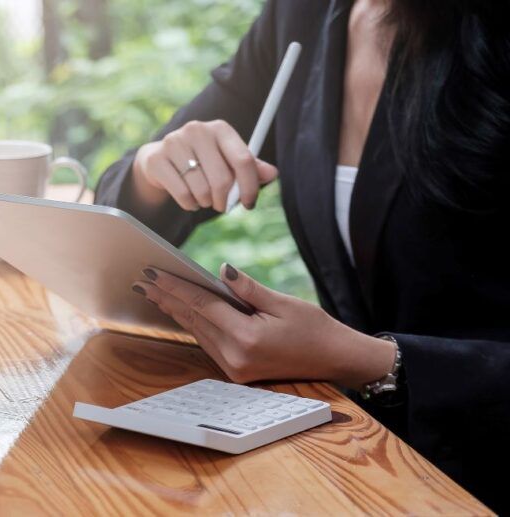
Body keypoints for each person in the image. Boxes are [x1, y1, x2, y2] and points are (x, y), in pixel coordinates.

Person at [94, 0, 509, 511]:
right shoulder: (302, 15)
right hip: (364, 462)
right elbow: (121, 204)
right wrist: (154, 170)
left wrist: (367, 360)